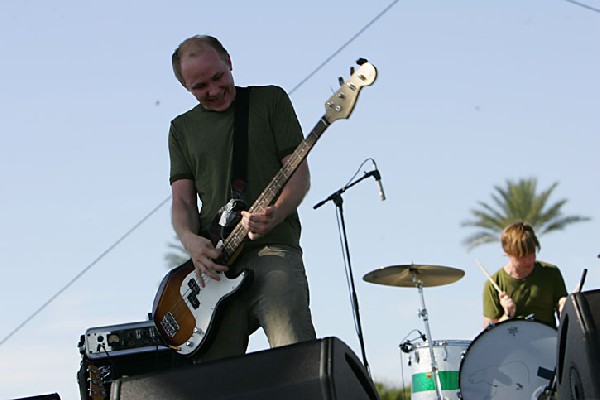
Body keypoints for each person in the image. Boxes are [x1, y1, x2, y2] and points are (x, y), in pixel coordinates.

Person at [168, 35, 316, 361]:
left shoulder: (270, 101)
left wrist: (276, 213)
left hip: (273, 252)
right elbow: (182, 201)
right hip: (215, 271)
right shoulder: (181, 128)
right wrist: (191, 241)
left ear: (229, 61)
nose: (213, 90)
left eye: (218, 77)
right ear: (186, 88)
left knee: (296, 362)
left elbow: (298, 173)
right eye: (200, 86)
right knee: (215, 378)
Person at [482, 221, 567, 328]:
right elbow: (488, 334)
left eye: (532, 253)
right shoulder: (494, 283)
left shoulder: (551, 273)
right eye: (521, 256)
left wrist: (564, 307)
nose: (529, 259)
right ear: (506, 253)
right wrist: (507, 315)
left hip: (547, 340)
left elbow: (564, 317)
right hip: (510, 343)